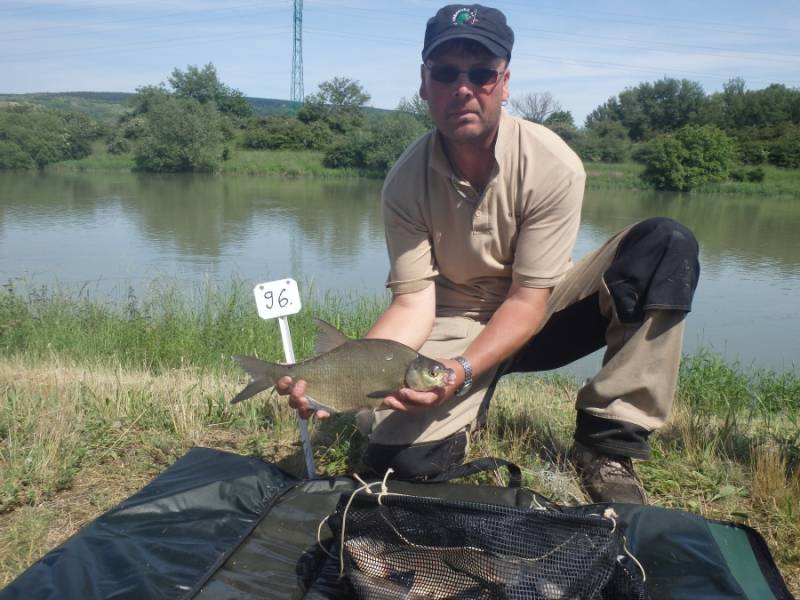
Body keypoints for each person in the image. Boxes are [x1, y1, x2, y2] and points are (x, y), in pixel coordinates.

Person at [280, 4, 699, 504]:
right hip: (453, 320)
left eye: (481, 74)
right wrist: (347, 371)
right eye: (445, 72)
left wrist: (460, 372)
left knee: (665, 243)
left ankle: (606, 443)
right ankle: (466, 410)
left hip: (543, 311)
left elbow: (528, 300)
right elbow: (412, 304)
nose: (463, 88)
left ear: (504, 84)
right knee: (399, 466)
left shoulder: (553, 164)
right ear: (424, 83)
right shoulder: (404, 182)